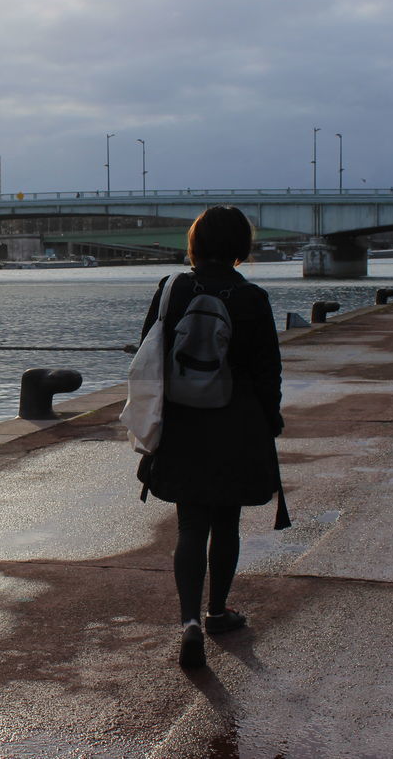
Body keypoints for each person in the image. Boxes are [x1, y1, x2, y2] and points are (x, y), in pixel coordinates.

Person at [135, 205, 289, 669]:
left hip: (183, 421)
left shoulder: (172, 290)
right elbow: (268, 371)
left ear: (196, 243)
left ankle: (188, 623)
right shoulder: (252, 297)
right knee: (227, 524)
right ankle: (217, 611)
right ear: (241, 246)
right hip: (237, 421)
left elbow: (150, 350)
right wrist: (271, 420)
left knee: (190, 525)